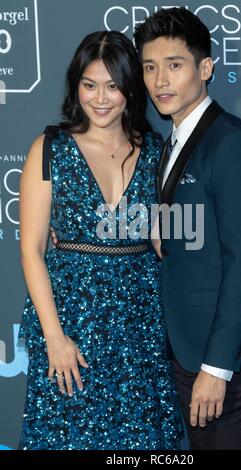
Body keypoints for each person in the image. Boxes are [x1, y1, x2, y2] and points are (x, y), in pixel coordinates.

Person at [133, 8, 241, 450]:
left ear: (206, 68)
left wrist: (217, 368)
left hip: (230, 364)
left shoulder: (233, 145)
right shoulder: (177, 139)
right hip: (189, 350)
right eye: (150, 67)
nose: (160, 80)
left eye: (174, 65)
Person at [18, 31, 183, 450]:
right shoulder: (50, 148)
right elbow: (32, 251)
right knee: (67, 436)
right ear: (77, 86)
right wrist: (54, 338)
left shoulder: (153, 151)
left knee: (140, 442)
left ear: (130, 88)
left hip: (139, 325)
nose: (101, 98)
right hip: (72, 321)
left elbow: (163, 238)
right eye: (89, 85)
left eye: (112, 86)